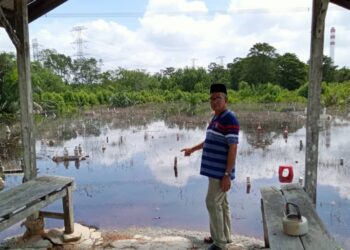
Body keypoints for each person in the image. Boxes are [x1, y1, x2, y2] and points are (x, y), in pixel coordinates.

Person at [181, 83, 239, 250]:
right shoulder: (216, 117)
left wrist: (227, 175)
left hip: (221, 172)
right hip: (215, 172)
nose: (214, 101)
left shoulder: (230, 118)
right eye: (212, 98)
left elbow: (233, 147)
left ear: (226, 99)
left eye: (218, 98)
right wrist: (192, 149)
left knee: (212, 202)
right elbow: (210, 141)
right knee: (222, 204)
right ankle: (224, 237)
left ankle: (219, 244)